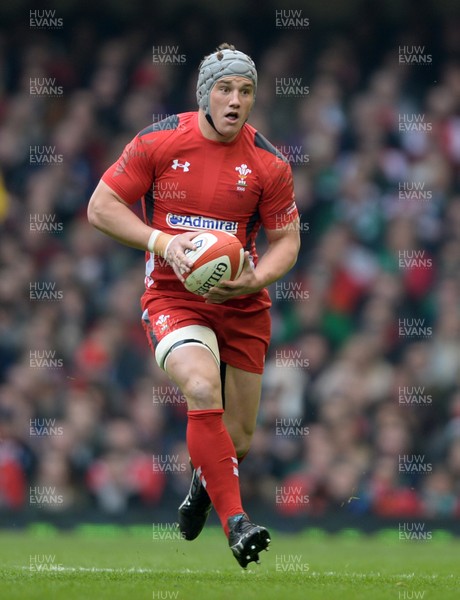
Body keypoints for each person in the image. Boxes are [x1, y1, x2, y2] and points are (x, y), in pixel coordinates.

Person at [87, 43, 300, 568]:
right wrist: (163, 243)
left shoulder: (270, 163)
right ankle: (237, 524)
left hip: (242, 302)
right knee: (202, 387)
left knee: (241, 439)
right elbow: (100, 207)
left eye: (245, 91)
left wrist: (256, 276)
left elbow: (288, 240)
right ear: (205, 94)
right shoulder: (159, 140)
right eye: (225, 89)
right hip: (174, 297)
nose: (235, 101)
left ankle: (203, 489)